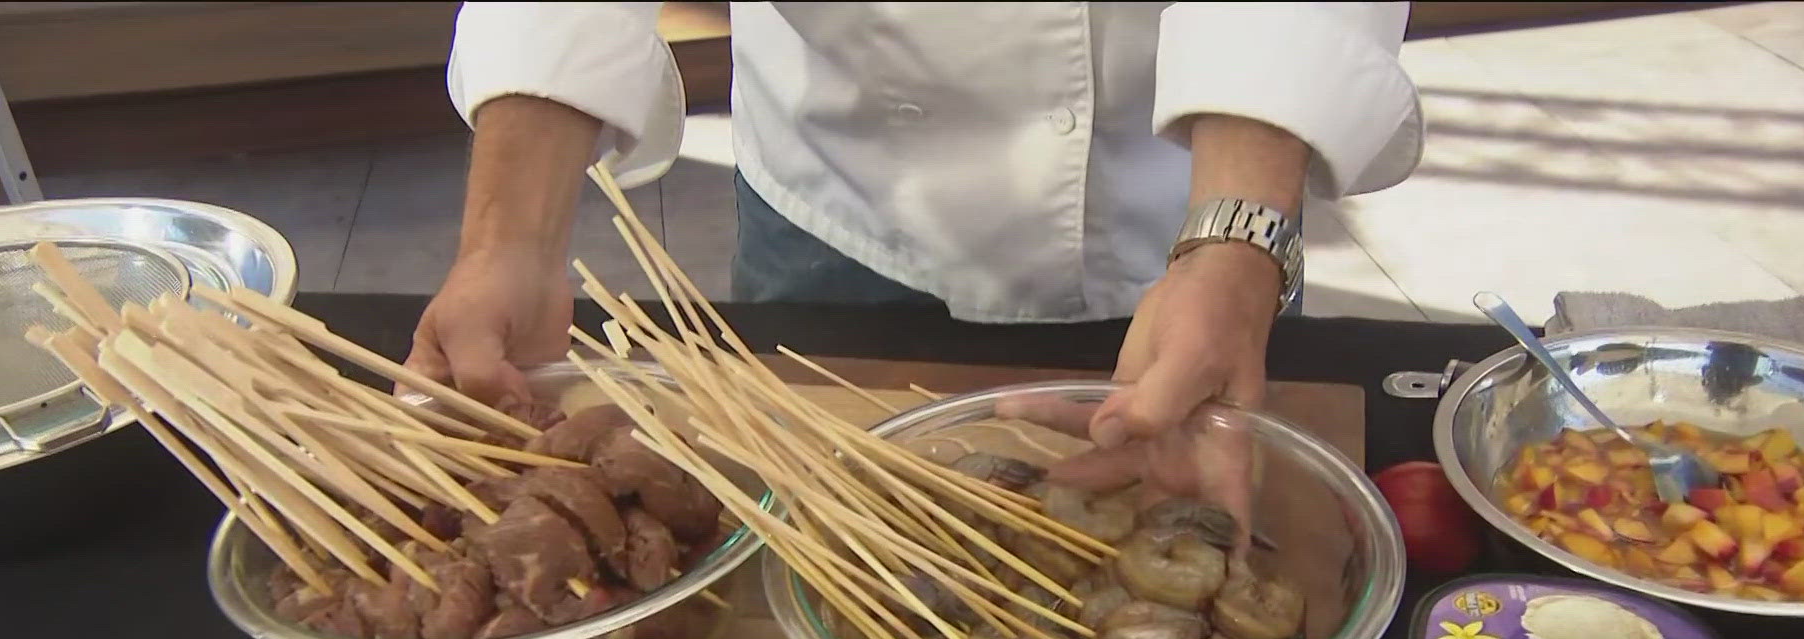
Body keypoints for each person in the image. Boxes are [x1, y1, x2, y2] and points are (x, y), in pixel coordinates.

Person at [409, 2, 1420, 481]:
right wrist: (512, 236)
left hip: (1187, 197)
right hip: (844, 195)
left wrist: (1238, 237)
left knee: (1225, 524)